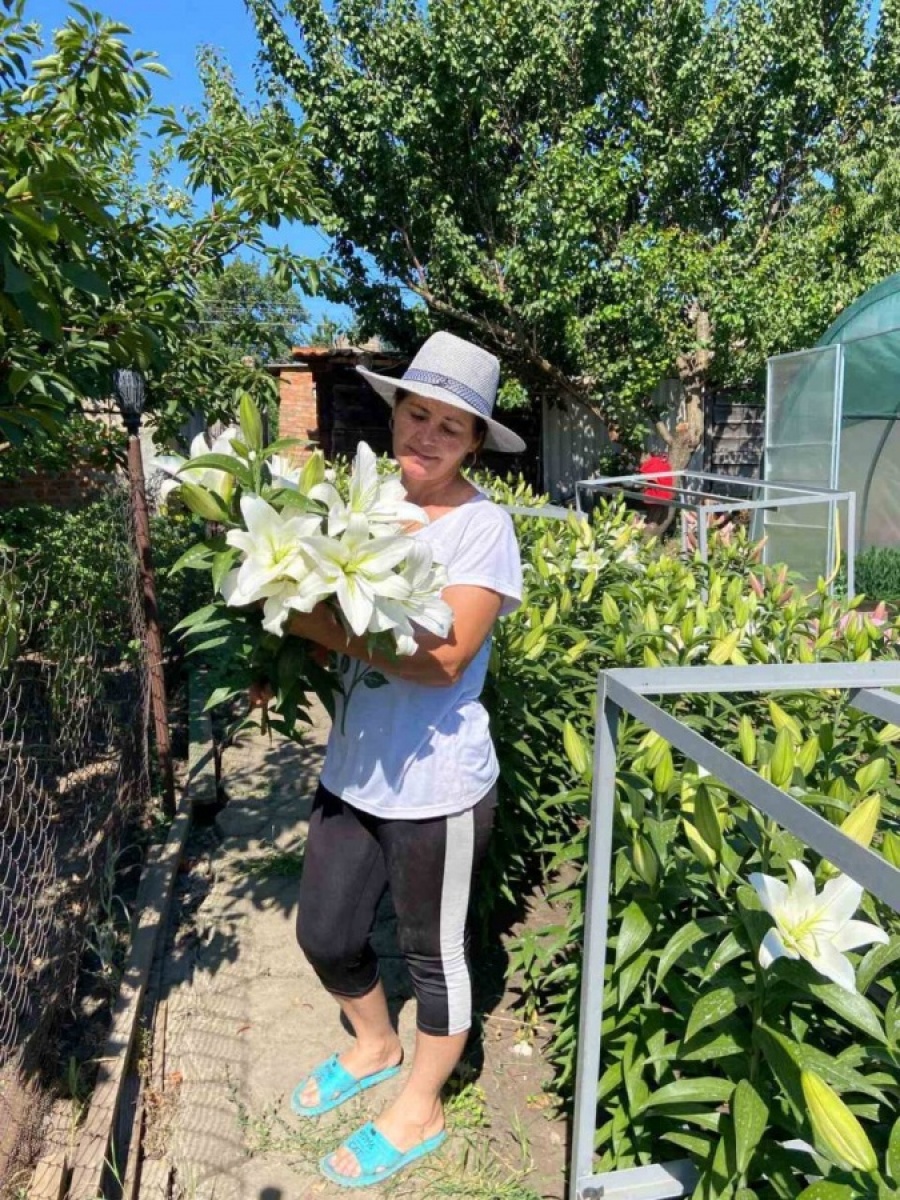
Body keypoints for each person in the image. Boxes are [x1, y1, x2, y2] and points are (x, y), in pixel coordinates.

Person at [273, 331, 525, 1189]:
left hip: (438, 786)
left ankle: (421, 1106)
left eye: (450, 427)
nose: (426, 435)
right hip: (353, 770)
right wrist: (285, 650)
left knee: (433, 955)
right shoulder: (368, 503)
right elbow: (321, 616)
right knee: (325, 932)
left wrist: (316, 623)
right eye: (416, 414)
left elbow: (446, 658)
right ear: (394, 415)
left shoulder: (484, 527)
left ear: (475, 442)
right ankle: (376, 1044)